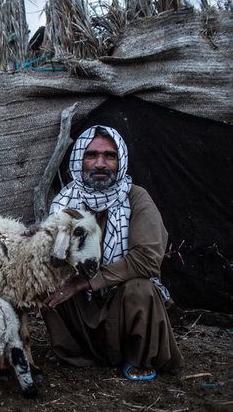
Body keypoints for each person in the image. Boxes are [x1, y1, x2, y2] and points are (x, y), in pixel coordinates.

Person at [42, 125, 184, 380]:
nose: (100, 163)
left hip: (121, 301)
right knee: (47, 281)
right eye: (91, 155)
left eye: (110, 156)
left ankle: (137, 357)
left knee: (140, 288)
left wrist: (85, 282)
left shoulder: (136, 198)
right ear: (79, 160)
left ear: (121, 162)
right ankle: (74, 352)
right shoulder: (65, 201)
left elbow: (147, 260)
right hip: (83, 305)